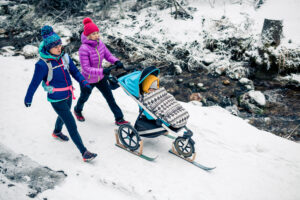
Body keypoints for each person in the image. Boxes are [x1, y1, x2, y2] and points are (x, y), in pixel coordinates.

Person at [24, 25, 97, 162]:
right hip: (56, 98)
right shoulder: (42, 65)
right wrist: (28, 97)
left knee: (64, 114)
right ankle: (84, 152)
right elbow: (34, 83)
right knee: (71, 124)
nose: (59, 48)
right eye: (55, 46)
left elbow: (75, 72)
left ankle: (56, 131)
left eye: (60, 45)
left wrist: (84, 82)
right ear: (48, 48)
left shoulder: (64, 58)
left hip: (68, 94)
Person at [73, 17, 129, 126]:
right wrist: (102, 71)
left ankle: (119, 118)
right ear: (88, 35)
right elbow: (86, 68)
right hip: (87, 79)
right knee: (84, 97)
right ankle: (77, 110)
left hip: (100, 78)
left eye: (97, 33)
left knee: (110, 98)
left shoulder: (100, 43)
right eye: (94, 34)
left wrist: (116, 61)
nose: (97, 35)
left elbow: (108, 55)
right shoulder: (83, 49)